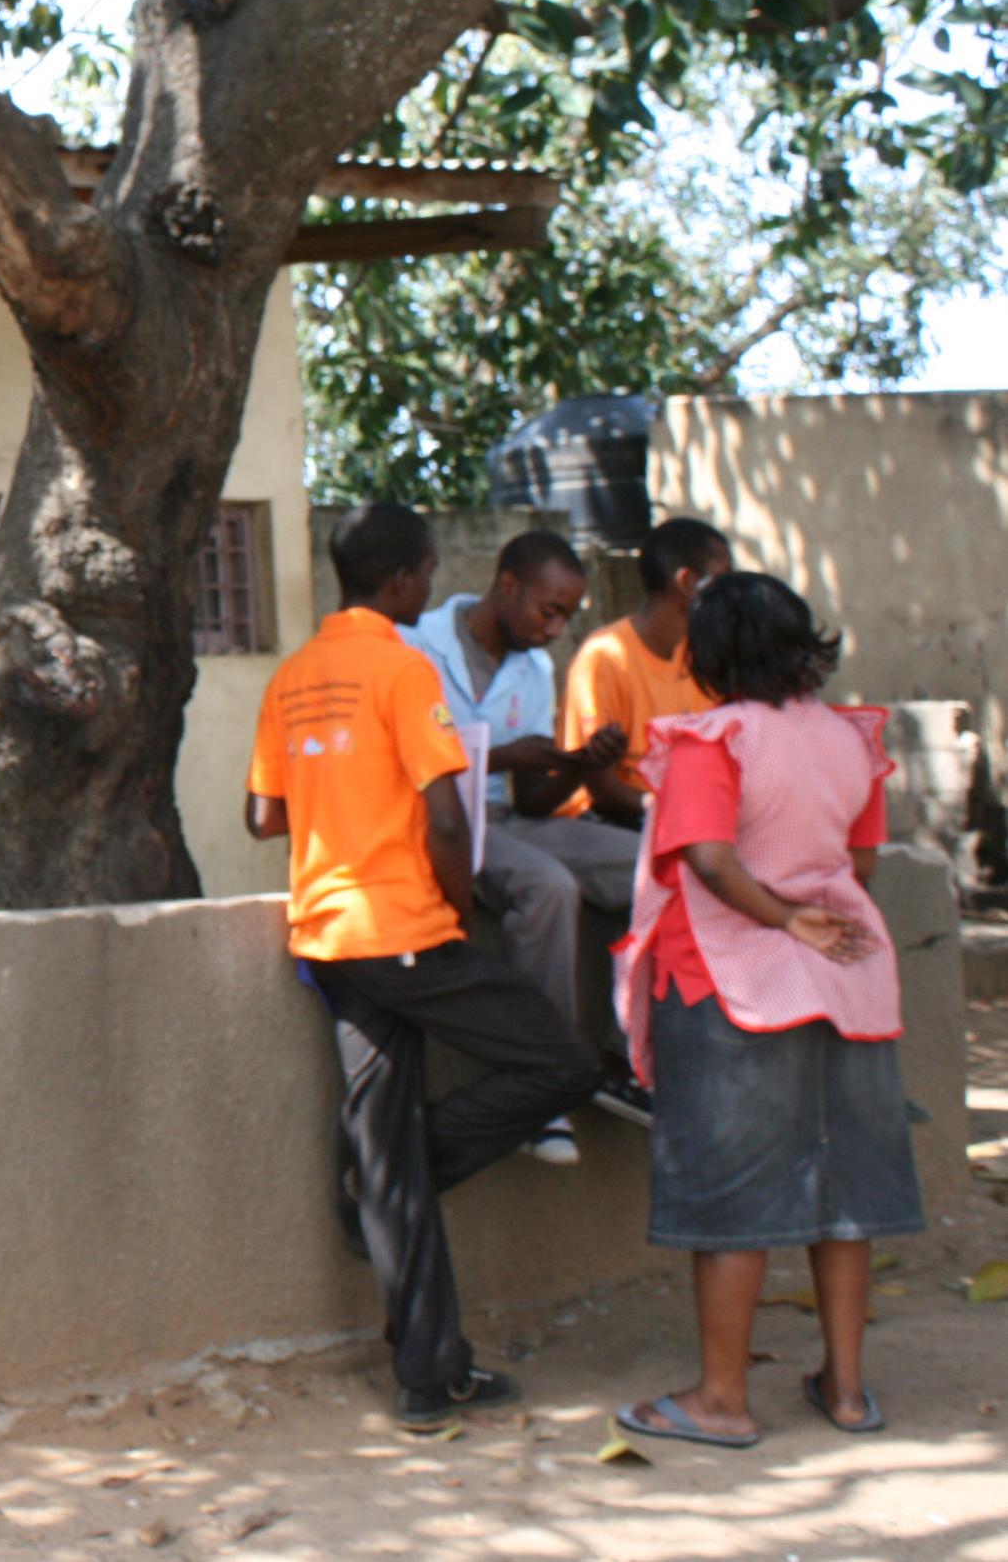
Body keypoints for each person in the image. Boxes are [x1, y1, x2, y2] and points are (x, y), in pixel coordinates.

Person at [247, 503, 602, 1432]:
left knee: (388, 1136)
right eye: (427, 571)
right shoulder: (404, 668)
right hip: (401, 928)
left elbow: (261, 816)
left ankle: (427, 1374)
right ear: (405, 579)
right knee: (562, 1064)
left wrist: (338, 790)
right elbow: (449, 818)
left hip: (327, 941)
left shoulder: (291, 675)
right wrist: (448, 908)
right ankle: (381, 1183)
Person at [610, 573, 921, 1451]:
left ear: (708, 656)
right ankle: (849, 1389)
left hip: (731, 983)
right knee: (843, 1189)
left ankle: (719, 1398)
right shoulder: (848, 736)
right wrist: (811, 914)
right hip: (845, 976)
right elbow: (857, 865)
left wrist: (780, 916)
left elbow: (707, 857)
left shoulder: (714, 740)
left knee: (734, 1200)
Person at [404, 531, 650, 1157]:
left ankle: (636, 1060)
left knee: (659, 863)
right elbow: (402, 764)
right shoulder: (415, 647)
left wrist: (576, 763)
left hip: (510, 819)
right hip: (441, 822)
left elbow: (534, 799)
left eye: (567, 615)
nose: (555, 629)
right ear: (507, 584)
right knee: (546, 885)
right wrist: (502, 753)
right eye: (549, 610)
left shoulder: (534, 671)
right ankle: (547, 1083)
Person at [562, 516, 734, 827]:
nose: (731, 594)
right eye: (723, 580)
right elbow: (603, 789)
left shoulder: (704, 654)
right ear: (687, 582)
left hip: (685, 817)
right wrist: (683, 813)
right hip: (613, 822)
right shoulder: (606, 655)